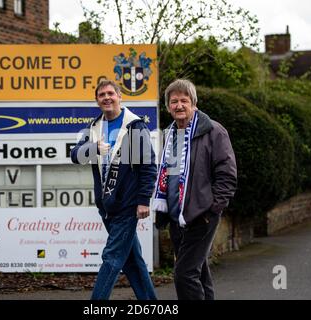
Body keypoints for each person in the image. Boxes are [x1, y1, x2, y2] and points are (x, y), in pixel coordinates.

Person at [71, 79, 158, 300]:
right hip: (107, 206)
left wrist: (143, 200)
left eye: (111, 93)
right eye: (102, 95)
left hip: (127, 206)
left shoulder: (134, 126)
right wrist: (94, 148)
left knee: (111, 258)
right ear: (97, 101)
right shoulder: (94, 127)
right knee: (132, 261)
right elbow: (74, 155)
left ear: (120, 96)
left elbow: (147, 166)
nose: (107, 97)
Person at [153, 79, 237, 300]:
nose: (179, 105)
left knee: (184, 274)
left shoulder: (213, 131)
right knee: (198, 272)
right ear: (168, 106)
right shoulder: (170, 134)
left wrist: (212, 209)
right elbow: (168, 176)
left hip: (201, 216)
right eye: (174, 101)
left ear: (194, 103)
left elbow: (227, 175)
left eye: (184, 100)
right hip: (176, 217)